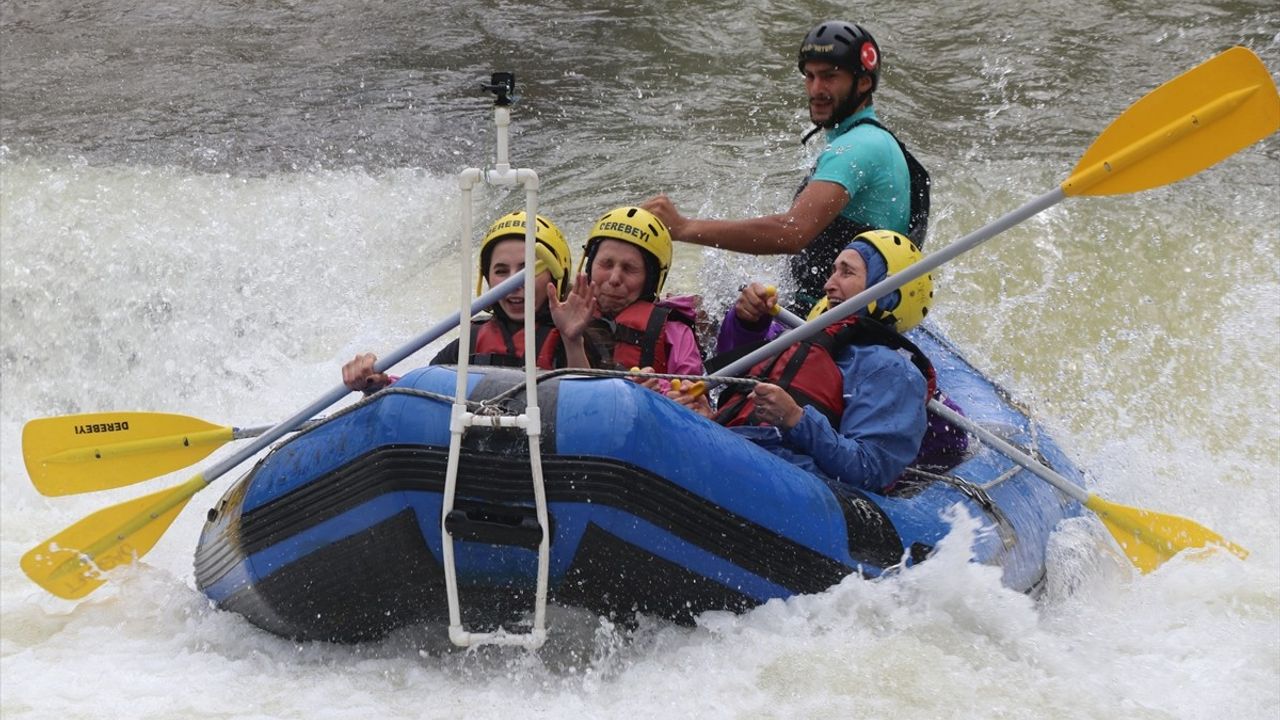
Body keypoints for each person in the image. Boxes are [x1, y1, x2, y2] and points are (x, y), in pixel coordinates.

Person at [642, 21, 929, 314]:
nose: (816, 89)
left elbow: (792, 233)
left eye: (830, 77)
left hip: (836, 320)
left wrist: (684, 227)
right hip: (831, 310)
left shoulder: (858, 147)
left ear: (864, 82)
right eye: (810, 76)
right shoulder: (873, 139)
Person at [671, 229, 964, 493]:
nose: (828, 284)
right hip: (745, 449)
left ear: (887, 293)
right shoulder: (801, 340)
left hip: (796, 486)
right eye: (833, 271)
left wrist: (796, 419)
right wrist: (747, 323)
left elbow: (871, 470)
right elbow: (734, 379)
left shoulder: (892, 370)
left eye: (846, 273)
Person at [342, 211, 595, 392]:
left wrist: (573, 342)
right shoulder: (467, 345)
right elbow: (417, 394)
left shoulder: (581, 339)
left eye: (527, 269)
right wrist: (375, 383)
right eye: (501, 271)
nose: (514, 282)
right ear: (487, 279)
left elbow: (592, 411)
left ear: (557, 274)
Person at [577, 206, 704, 391]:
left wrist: (660, 393)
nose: (614, 279)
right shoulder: (560, 316)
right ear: (589, 266)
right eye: (606, 264)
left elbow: (692, 402)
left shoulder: (676, 335)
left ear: (651, 280)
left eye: (629, 269)